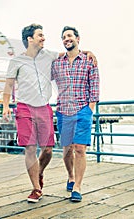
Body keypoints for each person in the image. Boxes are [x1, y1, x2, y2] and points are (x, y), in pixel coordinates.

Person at [3, 23, 96, 203]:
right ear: (30, 39)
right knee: (30, 148)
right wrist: (5, 105)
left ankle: (40, 172)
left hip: (44, 107)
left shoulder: (49, 56)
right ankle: (36, 189)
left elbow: (72, 52)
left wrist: (89, 52)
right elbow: (8, 84)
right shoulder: (16, 61)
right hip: (24, 107)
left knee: (47, 149)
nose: (44, 38)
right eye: (40, 35)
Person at [51, 26, 100, 202]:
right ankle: (70, 177)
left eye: (69, 36)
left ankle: (77, 187)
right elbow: (40, 74)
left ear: (77, 38)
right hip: (64, 111)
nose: (66, 39)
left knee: (79, 149)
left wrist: (90, 108)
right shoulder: (56, 63)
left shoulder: (89, 60)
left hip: (82, 110)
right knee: (67, 150)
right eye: (64, 37)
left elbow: (94, 85)